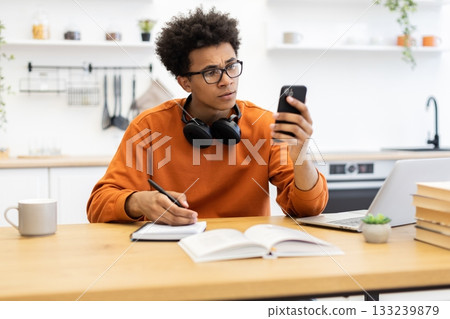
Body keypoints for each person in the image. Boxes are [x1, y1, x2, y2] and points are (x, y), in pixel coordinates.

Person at [87, 7, 328, 225]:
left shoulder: (265, 125)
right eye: (211, 72)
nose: (227, 81)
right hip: (171, 254)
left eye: (232, 66)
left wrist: (301, 157)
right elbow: (98, 205)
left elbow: (308, 209)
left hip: (245, 253)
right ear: (185, 83)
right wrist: (139, 201)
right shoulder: (149, 126)